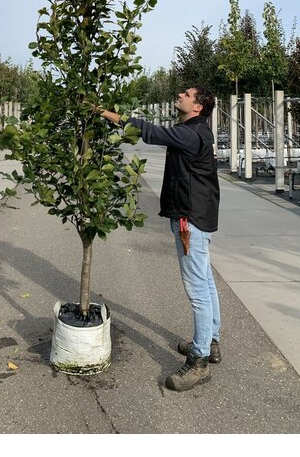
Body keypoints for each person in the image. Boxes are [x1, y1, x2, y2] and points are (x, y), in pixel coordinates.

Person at [100, 85, 221, 392]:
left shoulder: (190, 134)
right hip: (199, 214)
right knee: (205, 281)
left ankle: (199, 360)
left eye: (187, 94)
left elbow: (151, 132)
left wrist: (108, 115)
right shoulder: (197, 131)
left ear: (198, 107)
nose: (180, 95)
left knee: (197, 289)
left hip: (190, 219)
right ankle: (210, 341)